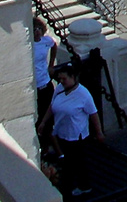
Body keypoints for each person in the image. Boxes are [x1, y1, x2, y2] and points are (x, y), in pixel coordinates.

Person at [40, 63, 103, 197]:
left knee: (77, 162)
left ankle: (82, 186)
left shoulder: (83, 94)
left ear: (73, 77)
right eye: (60, 79)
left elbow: (93, 114)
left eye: (64, 79)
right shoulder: (60, 90)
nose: (61, 82)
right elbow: (52, 106)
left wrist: (99, 133)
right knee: (68, 161)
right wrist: (44, 122)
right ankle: (68, 186)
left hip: (76, 135)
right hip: (62, 133)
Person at [31, 18, 58, 124]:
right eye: (34, 29)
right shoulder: (29, 45)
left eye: (39, 28)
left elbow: (54, 46)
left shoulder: (46, 41)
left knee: (50, 107)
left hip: (45, 80)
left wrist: (51, 65)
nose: (37, 31)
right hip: (35, 83)